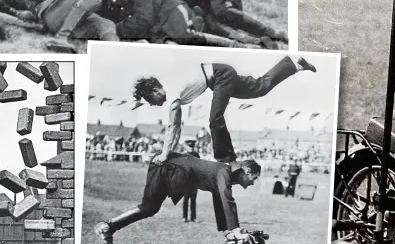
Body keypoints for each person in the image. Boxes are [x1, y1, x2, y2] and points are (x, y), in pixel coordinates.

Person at [131, 54, 316, 164]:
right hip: (220, 74)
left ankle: (226, 160)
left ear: (156, 90)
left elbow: (174, 127)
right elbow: (172, 122)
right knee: (260, 88)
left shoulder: (171, 97)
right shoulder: (167, 90)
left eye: (151, 100)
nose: (154, 104)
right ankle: (294, 64)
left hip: (221, 76)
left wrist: (165, 154)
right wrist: (142, 100)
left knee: (214, 119)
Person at [94, 155, 261, 244]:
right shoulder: (225, 171)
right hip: (166, 169)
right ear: (246, 171)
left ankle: (108, 227)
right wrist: (235, 229)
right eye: (254, 178)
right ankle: (107, 226)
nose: (253, 182)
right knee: (148, 208)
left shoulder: (227, 175)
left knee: (150, 209)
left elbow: (219, 202)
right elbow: (226, 198)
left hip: (171, 171)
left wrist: (228, 232)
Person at [182, 140, 200, 222]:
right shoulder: (184, 156)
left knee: (193, 200)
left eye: (192, 147)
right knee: (186, 200)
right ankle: (185, 217)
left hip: (194, 181)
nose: (191, 148)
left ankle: (193, 217)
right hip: (186, 181)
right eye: (190, 147)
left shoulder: (197, 155)